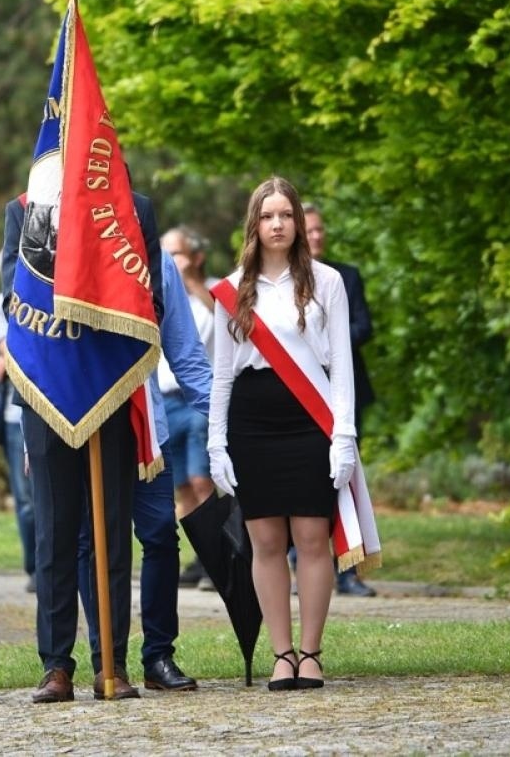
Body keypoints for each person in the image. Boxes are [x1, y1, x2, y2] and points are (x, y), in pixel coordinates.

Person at [0, 184, 164, 703]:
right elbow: (15, 298)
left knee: (110, 533)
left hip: (109, 387)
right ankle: (56, 665)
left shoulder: (133, 209)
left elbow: (149, 297)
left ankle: (110, 663)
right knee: (54, 533)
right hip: (47, 392)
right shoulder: (25, 210)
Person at [208, 176, 368, 692]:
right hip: (252, 424)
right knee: (267, 541)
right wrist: (217, 444)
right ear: (254, 224)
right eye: (268, 215)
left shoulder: (328, 282)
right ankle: (281, 654)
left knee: (312, 538)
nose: (277, 224)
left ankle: (312, 653)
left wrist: (343, 436)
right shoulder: (233, 290)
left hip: (310, 422)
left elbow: (341, 364)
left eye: (286, 215)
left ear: (298, 222)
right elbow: (222, 374)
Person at [78, 248, 212, 693]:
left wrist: (223, 424)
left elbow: (186, 353)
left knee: (158, 534)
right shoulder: (69, 247)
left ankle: (158, 655)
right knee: (92, 541)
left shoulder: (156, 260)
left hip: (145, 425)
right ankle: (107, 662)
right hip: (86, 424)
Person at [303, 203, 378, 598]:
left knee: (344, 480)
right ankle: (305, 568)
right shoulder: (277, 282)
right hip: (296, 396)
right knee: (302, 483)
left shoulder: (345, 277)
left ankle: (348, 570)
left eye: (319, 230)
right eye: (309, 230)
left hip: (341, 392)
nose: (315, 236)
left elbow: (363, 327)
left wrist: (323, 339)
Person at [157, 228, 216, 552]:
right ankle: (204, 555)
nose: (169, 260)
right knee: (182, 487)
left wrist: (190, 281)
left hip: (196, 403)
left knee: (201, 479)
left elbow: (229, 320)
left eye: (176, 253)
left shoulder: (212, 291)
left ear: (196, 257)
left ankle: (222, 550)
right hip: (166, 402)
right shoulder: (159, 293)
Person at [0, 292, 35, 592]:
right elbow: (14, 350)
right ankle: (36, 569)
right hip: (17, 417)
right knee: (26, 499)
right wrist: (6, 356)